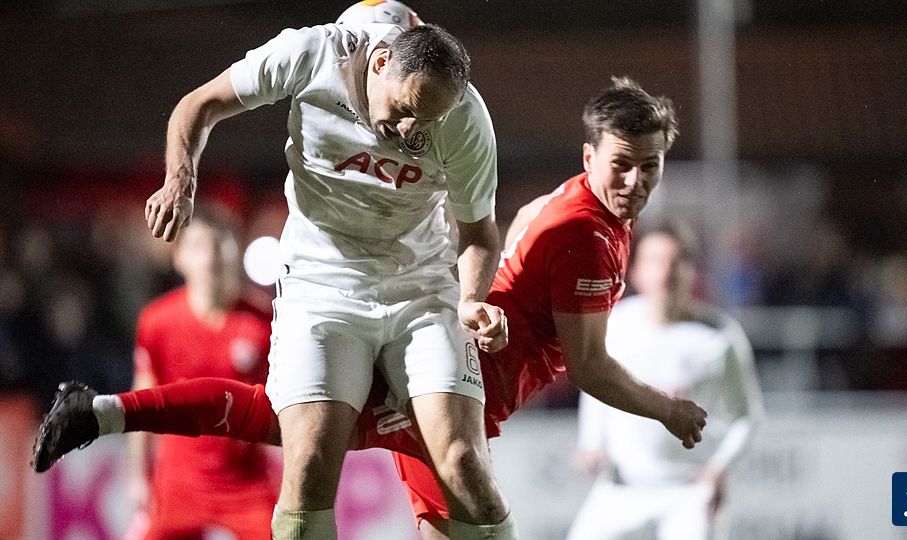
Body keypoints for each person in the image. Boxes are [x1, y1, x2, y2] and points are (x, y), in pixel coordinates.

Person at [33, 74, 709, 539]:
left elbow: (503, 264)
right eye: (622, 163)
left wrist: (472, 309)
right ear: (590, 154)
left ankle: (101, 412)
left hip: (444, 366)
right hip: (444, 389)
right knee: (455, 493)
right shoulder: (588, 236)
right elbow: (589, 368)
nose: (635, 180)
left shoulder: (576, 204)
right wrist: (668, 409)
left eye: (649, 166)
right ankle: (101, 412)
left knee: (273, 418)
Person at [134, 12, 514, 540]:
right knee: (310, 464)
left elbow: (478, 234)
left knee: (463, 461)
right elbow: (198, 105)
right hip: (321, 283)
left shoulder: (465, 116)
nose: (411, 131)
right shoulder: (310, 56)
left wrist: (471, 299)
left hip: (420, 286)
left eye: (427, 121)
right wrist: (180, 180)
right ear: (379, 62)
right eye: (405, 110)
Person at [566, 222, 764, 540]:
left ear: (691, 273)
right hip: (621, 487)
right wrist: (590, 442)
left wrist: (718, 469)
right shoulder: (616, 325)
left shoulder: (719, 335)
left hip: (687, 491)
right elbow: (596, 386)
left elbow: (747, 416)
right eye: (655, 261)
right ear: (636, 271)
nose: (665, 273)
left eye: (674, 262)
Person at [125, 208, 276, 539]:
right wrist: (138, 476)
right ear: (179, 258)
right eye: (198, 246)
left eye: (219, 245)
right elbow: (142, 402)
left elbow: (282, 408)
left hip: (244, 480)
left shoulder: (264, 323)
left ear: (236, 251)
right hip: (179, 481)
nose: (210, 257)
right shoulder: (158, 322)